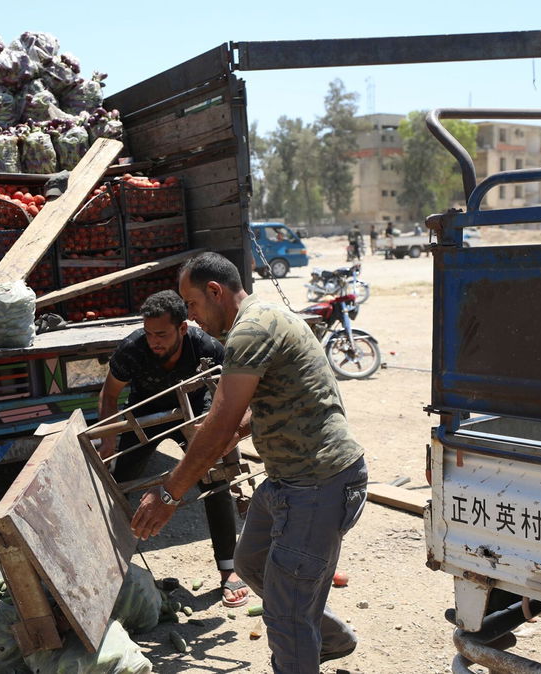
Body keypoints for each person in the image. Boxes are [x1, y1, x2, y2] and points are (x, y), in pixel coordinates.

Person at [130, 252, 368, 673]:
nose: (192, 316)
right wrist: (226, 439)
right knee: (251, 564)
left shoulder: (252, 329)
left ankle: (304, 644)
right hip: (288, 480)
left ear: (216, 291)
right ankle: (330, 638)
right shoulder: (260, 320)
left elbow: (219, 424)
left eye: (192, 304)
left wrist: (169, 492)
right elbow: (259, 409)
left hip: (319, 482)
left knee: (287, 619)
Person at [98, 290, 251, 608]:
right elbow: (109, 394)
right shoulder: (132, 349)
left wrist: (224, 437)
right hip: (145, 414)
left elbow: (233, 390)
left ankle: (227, 570)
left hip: (194, 414)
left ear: (182, 328)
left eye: (162, 334)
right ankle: (110, 568)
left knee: (214, 478)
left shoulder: (205, 346)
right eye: (149, 332)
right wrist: (108, 438)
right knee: (117, 484)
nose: (153, 340)